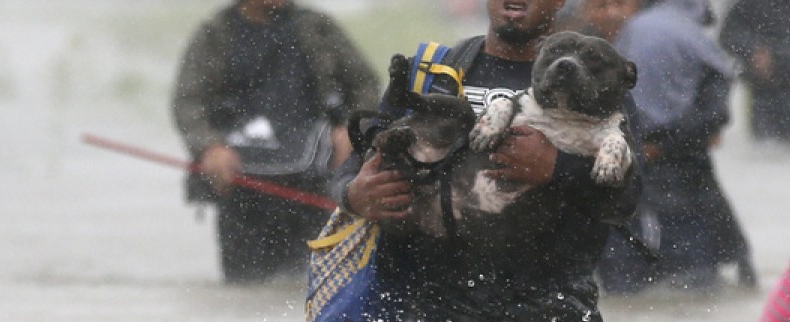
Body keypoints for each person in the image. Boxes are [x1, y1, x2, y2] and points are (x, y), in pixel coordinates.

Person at [332, 0, 642, 320]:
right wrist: (354, 196)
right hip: (423, 304)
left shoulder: (601, 89)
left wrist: (558, 167)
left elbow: (627, 203)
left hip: (551, 305)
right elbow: (351, 169)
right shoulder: (428, 72)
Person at [171, 0, 380, 284]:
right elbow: (188, 101)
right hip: (242, 187)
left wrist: (351, 132)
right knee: (244, 290)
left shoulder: (317, 27)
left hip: (313, 182)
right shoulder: (215, 34)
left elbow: (365, 84)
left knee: (318, 283)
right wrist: (209, 147)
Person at [582, 0, 757, 295]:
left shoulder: (659, 38)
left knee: (687, 283)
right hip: (631, 194)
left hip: (674, 188)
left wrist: (662, 146)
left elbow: (712, 110)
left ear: (638, 5)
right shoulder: (574, 55)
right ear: (584, 10)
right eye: (600, 5)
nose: (611, 13)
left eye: (619, 3)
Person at [719, 0, 790, 145]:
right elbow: (728, 35)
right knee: (764, 147)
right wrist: (753, 51)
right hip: (763, 90)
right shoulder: (749, 4)